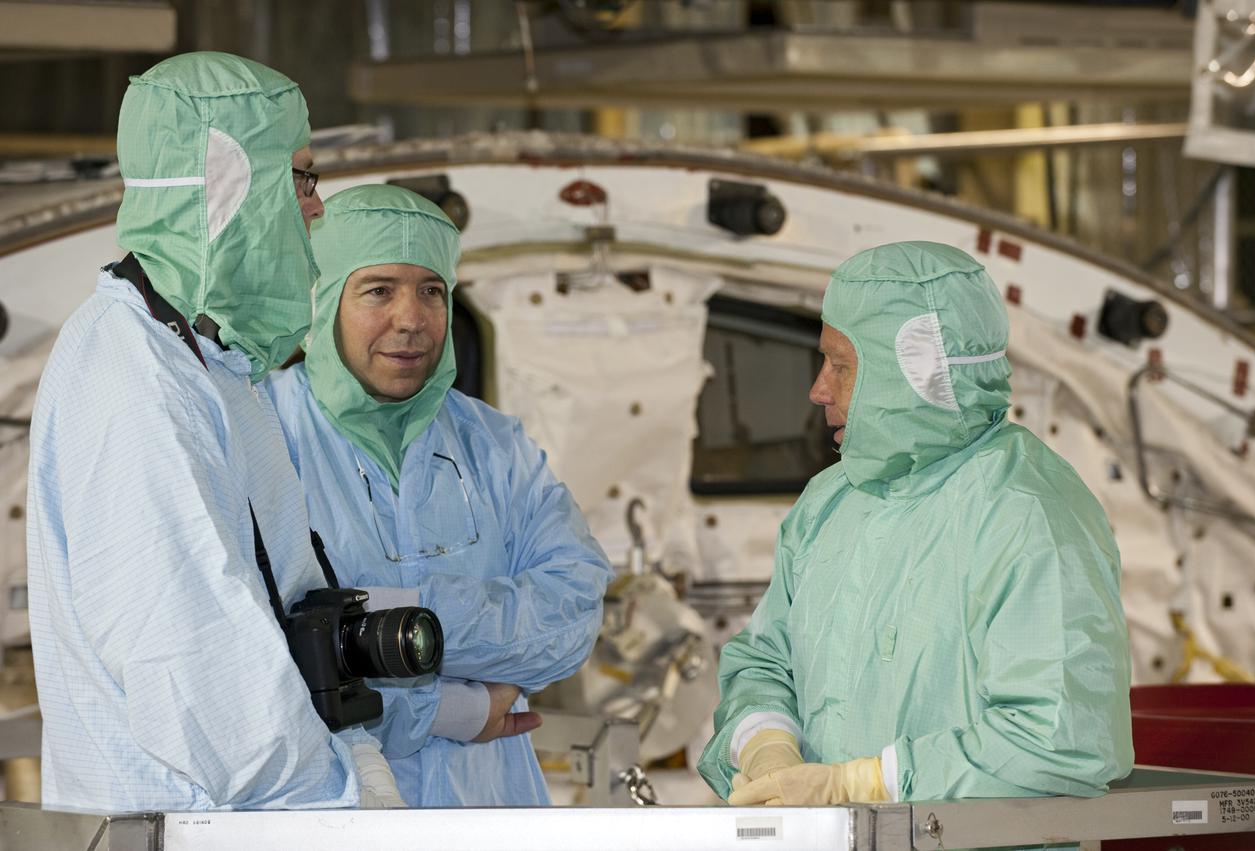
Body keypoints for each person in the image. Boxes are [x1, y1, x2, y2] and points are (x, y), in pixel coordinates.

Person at [27, 52, 402, 811]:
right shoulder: (132, 379)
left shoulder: (219, 367)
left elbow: (297, 607)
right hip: (194, 825)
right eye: (301, 178)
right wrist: (345, 811)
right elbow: (200, 678)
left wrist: (359, 757)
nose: (317, 208)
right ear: (235, 190)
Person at [698, 241, 1134, 805]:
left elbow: (1061, 739)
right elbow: (764, 661)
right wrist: (765, 742)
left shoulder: (1026, 514)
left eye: (843, 365)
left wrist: (866, 783)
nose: (818, 389)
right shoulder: (831, 501)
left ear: (918, 372)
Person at [265, 184, 613, 807]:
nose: (411, 319)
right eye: (378, 290)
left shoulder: (495, 445)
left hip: (490, 814)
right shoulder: (264, 435)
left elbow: (573, 616)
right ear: (322, 300)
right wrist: (451, 707)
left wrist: (394, 615)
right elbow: (262, 665)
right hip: (331, 817)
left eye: (431, 291)